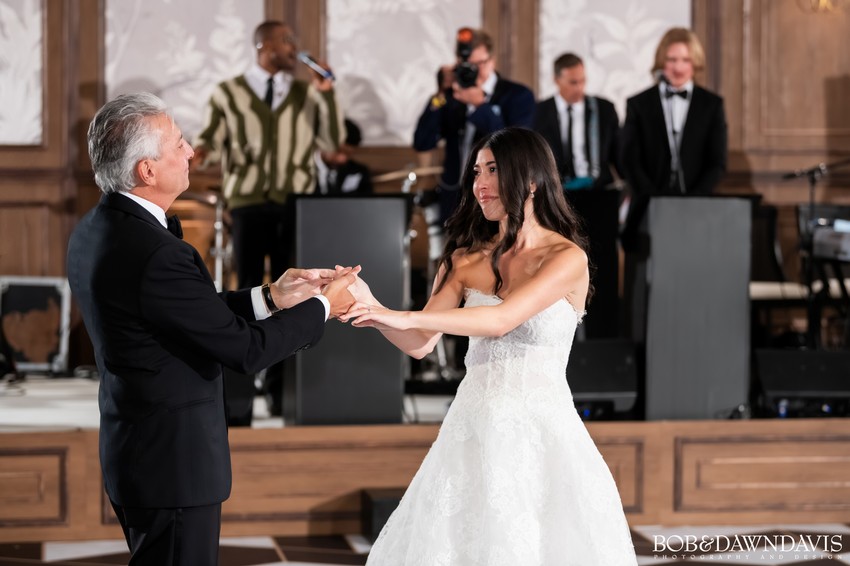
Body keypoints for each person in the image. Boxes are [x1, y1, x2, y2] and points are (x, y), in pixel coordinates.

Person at [67, 92, 357, 566]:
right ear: (147, 170)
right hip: (173, 464)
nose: (191, 152)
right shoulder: (157, 252)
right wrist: (324, 306)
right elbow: (246, 351)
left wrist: (273, 296)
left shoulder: (97, 227)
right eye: (178, 143)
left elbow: (185, 314)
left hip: (137, 448)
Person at [341, 127, 637, 564]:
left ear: (531, 180)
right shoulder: (463, 260)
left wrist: (404, 315)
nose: (480, 184)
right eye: (477, 172)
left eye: (493, 170)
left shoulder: (566, 258)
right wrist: (375, 309)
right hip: (471, 432)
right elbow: (420, 344)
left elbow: (500, 320)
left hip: (543, 436)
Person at [193, 20, 345, 288]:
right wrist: (200, 154)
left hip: (294, 203)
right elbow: (210, 141)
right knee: (247, 282)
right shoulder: (227, 93)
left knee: (293, 283)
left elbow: (332, 142)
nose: (294, 48)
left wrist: (326, 95)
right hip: (246, 203)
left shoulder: (306, 93)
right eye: (287, 40)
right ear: (265, 45)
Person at [413, 27, 535, 226]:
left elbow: (516, 148)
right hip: (456, 202)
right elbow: (422, 142)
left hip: (500, 202)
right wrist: (440, 94)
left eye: (479, 64)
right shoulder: (450, 97)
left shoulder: (517, 95)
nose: (473, 70)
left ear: (492, 60)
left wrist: (479, 105)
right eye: (467, 65)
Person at [620, 27, 728, 250]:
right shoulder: (638, 104)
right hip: (646, 210)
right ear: (661, 62)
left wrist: (694, 200)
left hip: (697, 212)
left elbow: (717, 162)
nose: (678, 67)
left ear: (695, 63)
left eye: (685, 60)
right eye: (672, 60)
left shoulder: (712, 105)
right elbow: (629, 159)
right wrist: (653, 198)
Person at [533, 52, 620, 190]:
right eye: (573, 82)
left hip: (599, 190)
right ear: (556, 80)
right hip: (557, 192)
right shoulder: (539, 112)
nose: (579, 88)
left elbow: (619, 154)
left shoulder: (604, 109)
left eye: (582, 81)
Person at [315, 118, 373, 195]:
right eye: (338, 151)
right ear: (323, 143)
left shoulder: (358, 171)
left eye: (348, 154)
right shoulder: (303, 169)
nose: (342, 159)